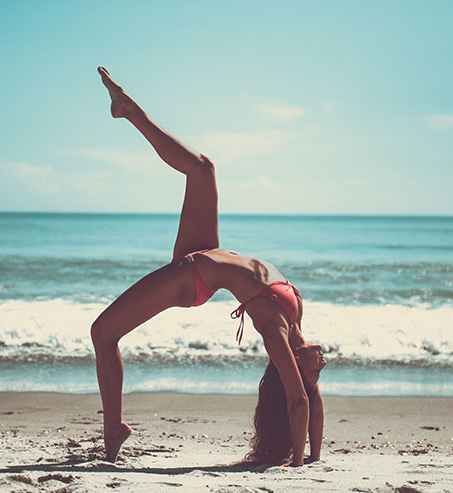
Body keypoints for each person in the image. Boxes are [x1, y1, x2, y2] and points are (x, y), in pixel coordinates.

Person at [90, 67, 326, 466]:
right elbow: (310, 399)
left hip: (193, 278)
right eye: (320, 368)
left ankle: (114, 429)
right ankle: (128, 110)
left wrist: (300, 462)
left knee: (102, 332)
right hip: (205, 253)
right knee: (203, 168)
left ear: (296, 365)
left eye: (319, 371)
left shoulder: (276, 331)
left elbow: (300, 400)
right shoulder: (295, 311)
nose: (325, 361)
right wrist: (316, 455)